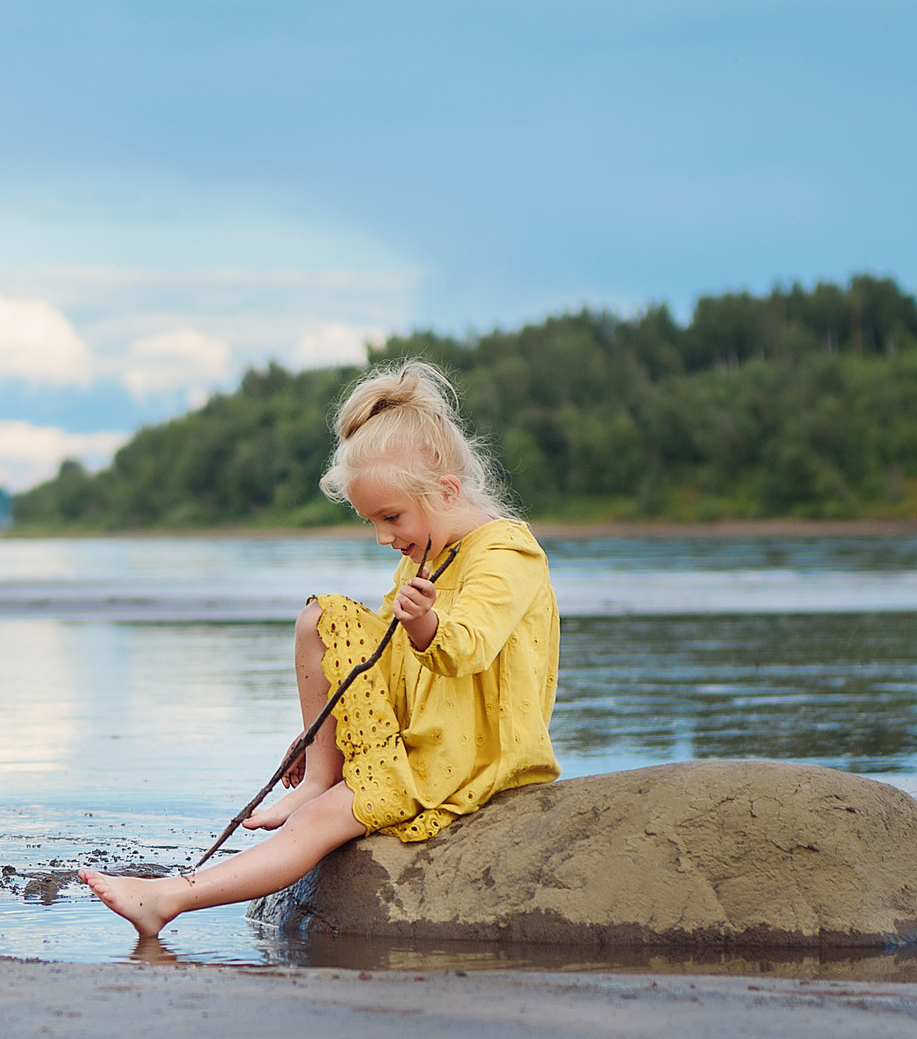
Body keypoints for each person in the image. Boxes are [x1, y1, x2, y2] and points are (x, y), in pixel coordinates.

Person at [81, 359, 561, 943]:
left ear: (447, 490)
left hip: (468, 755)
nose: (385, 538)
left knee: (314, 825)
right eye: (371, 522)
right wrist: (322, 730)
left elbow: (467, 649)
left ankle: (171, 898)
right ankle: (321, 777)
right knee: (321, 617)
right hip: (422, 733)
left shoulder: (508, 553)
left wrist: (427, 623)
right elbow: (377, 661)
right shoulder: (425, 556)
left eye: (391, 517)